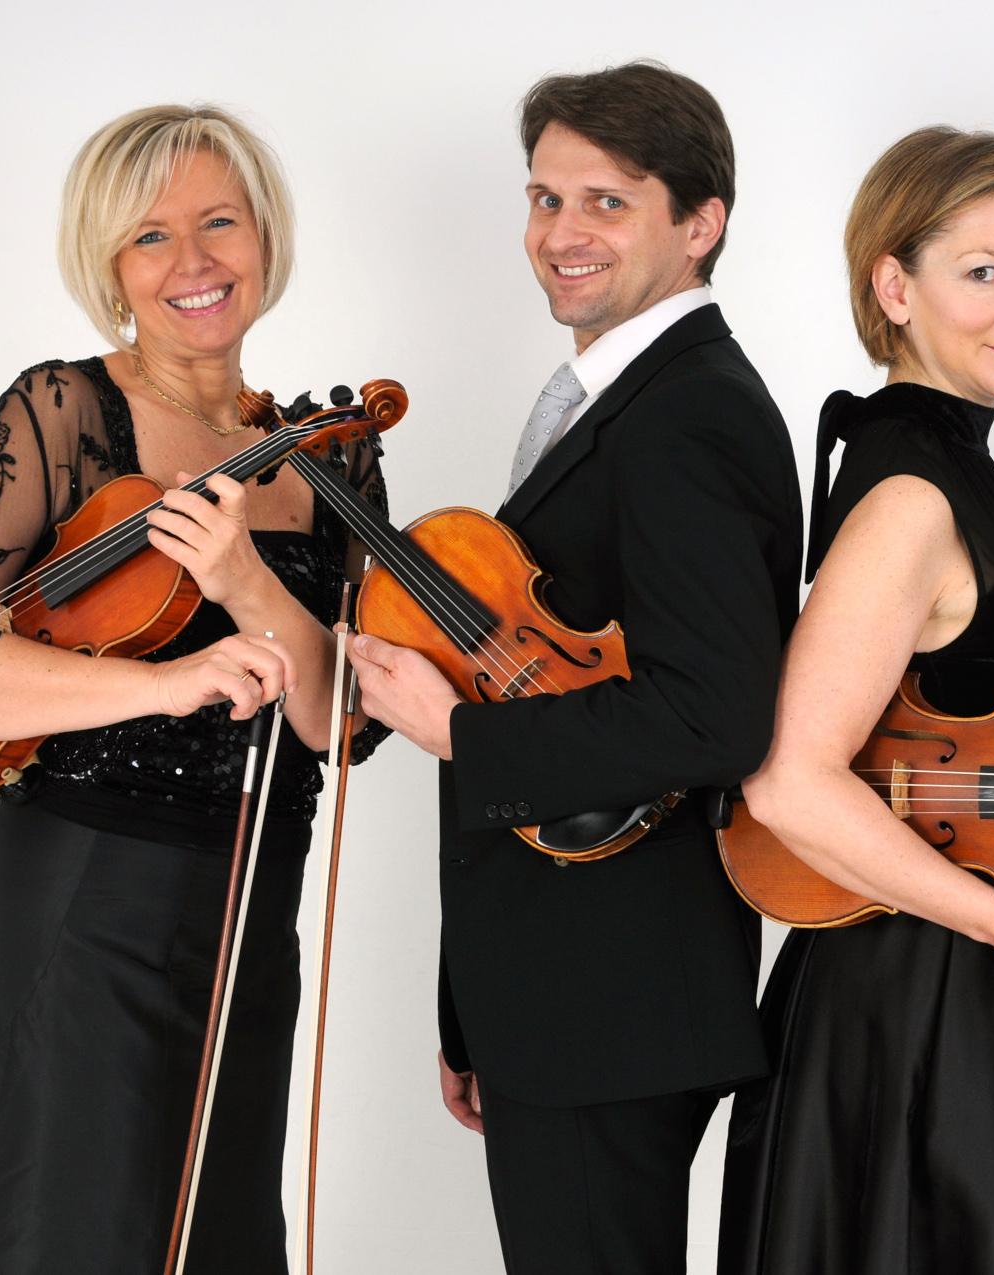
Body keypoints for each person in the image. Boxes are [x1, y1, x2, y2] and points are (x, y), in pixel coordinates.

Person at [0, 104, 387, 1273]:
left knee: (223, 1236)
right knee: (76, 1228)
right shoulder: (66, 412)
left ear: (266, 235)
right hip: (90, 893)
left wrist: (247, 583)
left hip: (254, 894)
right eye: (151, 235)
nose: (193, 261)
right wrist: (165, 685)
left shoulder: (330, 454)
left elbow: (344, 724)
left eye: (219, 222)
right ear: (110, 266)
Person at [346, 62, 800, 1275]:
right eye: (545, 199)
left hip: (613, 1005)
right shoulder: (628, 397)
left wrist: (458, 735)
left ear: (699, 224)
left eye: (607, 201)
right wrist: (472, 1005)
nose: (561, 233)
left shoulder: (692, 414)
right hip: (563, 1001)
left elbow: (715, 716)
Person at [717, 126, 994, 1275]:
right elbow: (790, 782)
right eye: (984, 272)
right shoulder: (912, 493)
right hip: (921, 1010)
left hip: (962, 983)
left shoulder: (944, 465)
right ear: (894, 288)